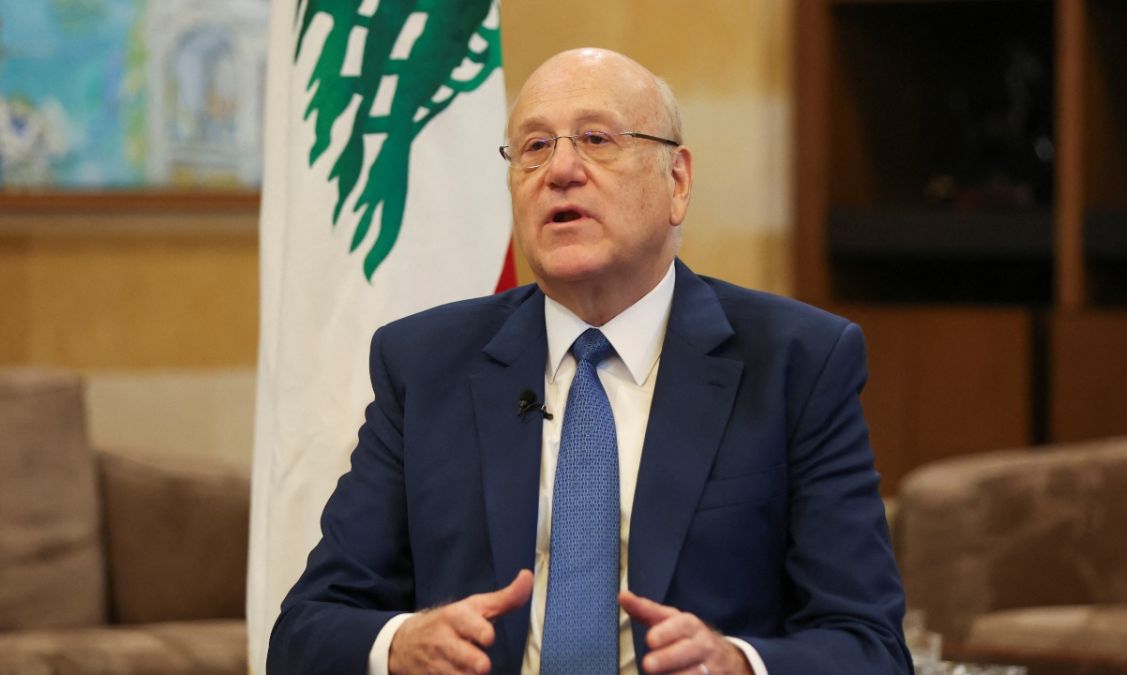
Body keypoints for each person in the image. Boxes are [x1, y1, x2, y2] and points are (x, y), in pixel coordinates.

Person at [267, 48, 912, 675]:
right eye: (534, 146)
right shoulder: (424, 364)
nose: (560, 170)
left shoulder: (797, 363)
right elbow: (305, 631)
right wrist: (400, 646)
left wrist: (738, 665)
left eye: (597, 139)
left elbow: (871, 648)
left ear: (677, 182)